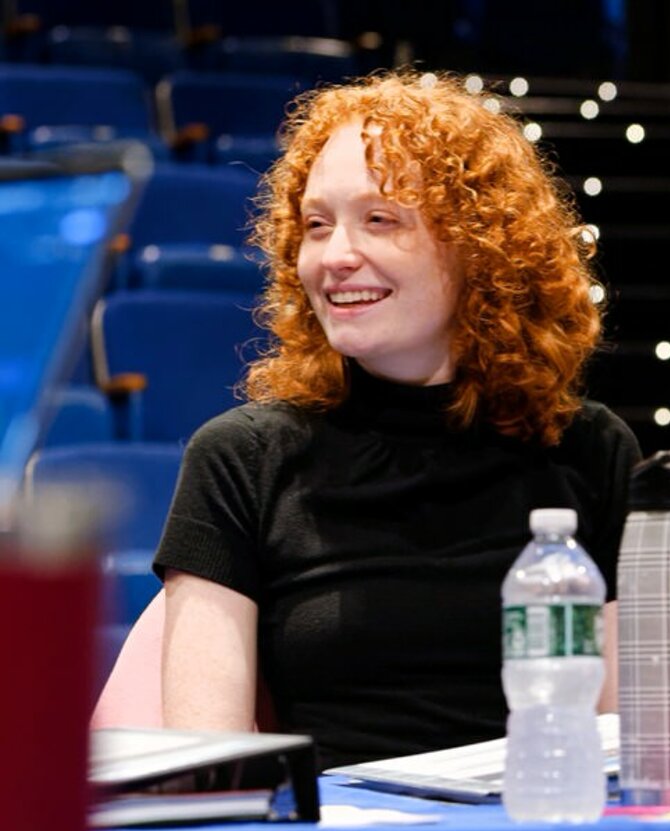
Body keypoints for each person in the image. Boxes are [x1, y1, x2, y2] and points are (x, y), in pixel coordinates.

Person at [151, 71, 641, 769]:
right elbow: (209, 766)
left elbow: (622, 739)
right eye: (316, 226)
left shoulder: (589, 449)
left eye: (380, 220)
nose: (336, 256)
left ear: (480, 250)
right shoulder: (242, 459)